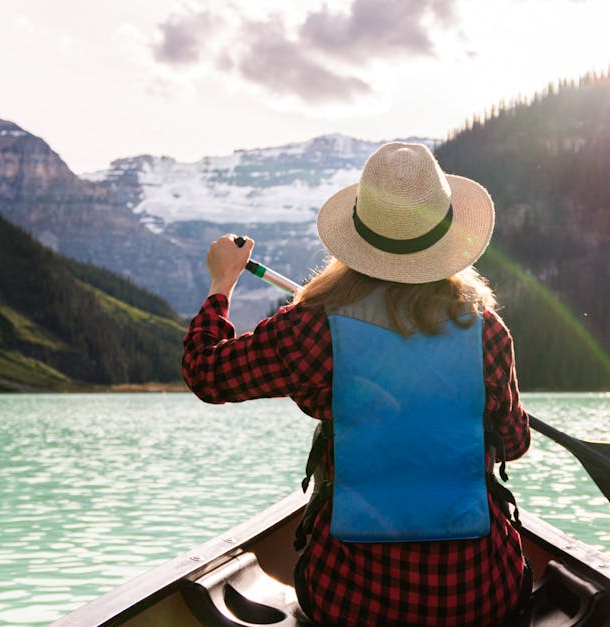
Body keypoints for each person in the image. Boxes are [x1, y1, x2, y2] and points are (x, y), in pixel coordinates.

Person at [182, 142, 531, 627]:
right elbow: (514, 443)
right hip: (478, 594)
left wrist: (222, 284)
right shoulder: (488, 332)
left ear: (359, 239)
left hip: (353, 599)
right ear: (446, 239)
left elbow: (206, 372)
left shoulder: (310, 328)